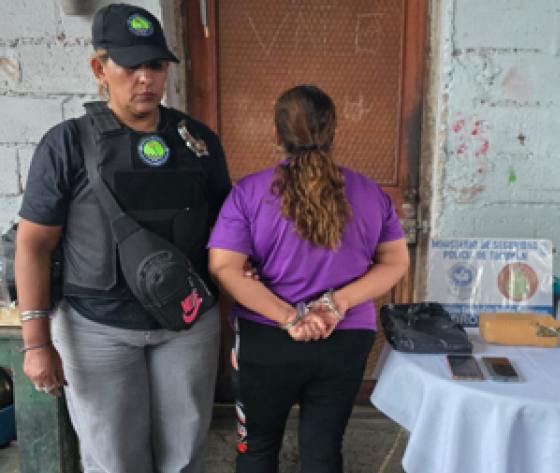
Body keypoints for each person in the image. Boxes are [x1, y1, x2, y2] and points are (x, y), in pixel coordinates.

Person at [15, 4, 231, 472]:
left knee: (184, 457)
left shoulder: (198, 141)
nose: (145, 78)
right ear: (100, 68)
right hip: (98, 329)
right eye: (131, 65)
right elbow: (34, 244)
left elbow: (226, 236)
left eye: (155, 65)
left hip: (186, 326)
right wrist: (36, 343)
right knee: (114, 460)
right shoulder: (67, 143)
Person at [208, 84, 409, 473]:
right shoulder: (371, 193)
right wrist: (335, 305)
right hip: (345, 338)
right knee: (323, 452)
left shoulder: (247, 192)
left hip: (266, 340)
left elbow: (223, 267)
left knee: (257, 450)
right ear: (334, 132)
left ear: (276, 133)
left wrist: (291, 317)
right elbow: (395, 262)